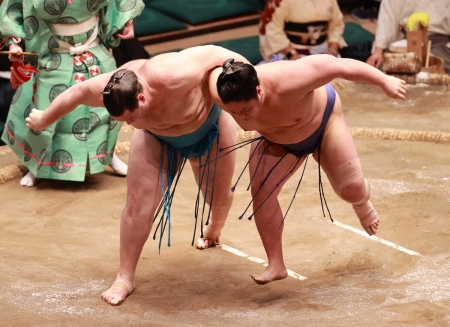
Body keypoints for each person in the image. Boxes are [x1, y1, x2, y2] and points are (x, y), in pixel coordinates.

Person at [25, 45, 250, 305]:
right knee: (137, 206)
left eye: (131, 118)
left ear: (141, 98)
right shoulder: (114, 85)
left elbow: (219, 54)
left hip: (209, 126)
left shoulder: (173, 73)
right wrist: (44, 118)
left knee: (217, 196)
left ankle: (214, 228)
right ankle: (125, 277)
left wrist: (253, 85)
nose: (129, 124)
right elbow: (77, 92)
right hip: (158, 138)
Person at [209, 55, 406, 285]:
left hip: (323, 122)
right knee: (262, 194)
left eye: (245, 110)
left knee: (351, 190)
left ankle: (362, 204)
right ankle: (276, 264)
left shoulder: (290, 80)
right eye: (234, 113)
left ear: (259, 92)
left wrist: (383, 80)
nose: (241, 117)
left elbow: (338, 65)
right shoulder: (222, 90)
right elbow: (206, 67)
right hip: (275, 139)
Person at [0, 0, 145, 186]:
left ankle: (108, 155)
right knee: (45, 110)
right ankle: (38, 164)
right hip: (54, 53)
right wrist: (14, 44)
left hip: (94, 48)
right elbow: (16, 7)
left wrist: (126, 21)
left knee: (105, 109)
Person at [366, 0, 450, 74]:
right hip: (406, 40)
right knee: (382, 68)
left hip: (441, 43)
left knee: (436, 68)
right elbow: (387, 13)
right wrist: (378, 51)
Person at [258, 0, 347, 62]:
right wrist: (292, 55)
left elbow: (336, 25)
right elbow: (273, 29)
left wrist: (333, 51)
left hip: (323, 48)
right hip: (288, 51)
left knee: (339, 81)